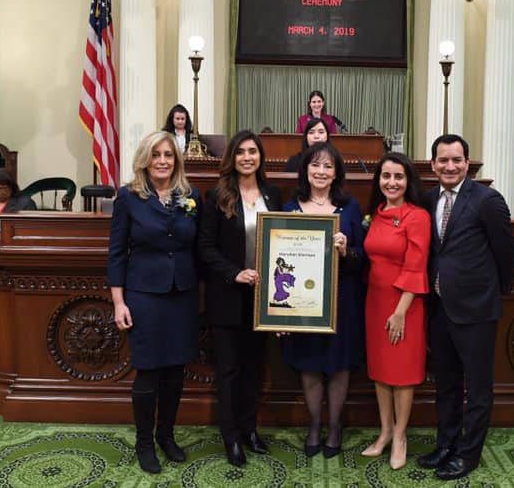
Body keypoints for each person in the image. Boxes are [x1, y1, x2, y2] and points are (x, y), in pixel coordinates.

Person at [418, 134, 514, 480]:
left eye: (456, 160)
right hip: (440, 308)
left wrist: (491, 294)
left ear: (467, 162)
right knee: (445, 383)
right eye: (442, 160)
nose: (450, 166)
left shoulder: (487, 200)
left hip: (476, 310)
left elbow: (506, 253)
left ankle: (468, 454)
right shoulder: (428, 198)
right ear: (432, 165)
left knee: (476, 388)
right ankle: (445, 445)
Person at [107, 131, 201, 474]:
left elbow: (198, 247)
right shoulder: (129, 197)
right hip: (144, 297)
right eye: (157, 154)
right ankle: (144, 442)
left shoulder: (190, 197)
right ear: (145, 159)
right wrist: (119, 302)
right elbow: (116, 253)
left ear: (176, 161)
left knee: (176, 372)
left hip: (183, 296)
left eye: (169, 155)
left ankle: (166, 436)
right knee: (148, 372)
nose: (163, 160)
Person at [198, 130, 282, 468]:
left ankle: (249, 429)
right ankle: (231, 437)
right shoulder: (218, 195)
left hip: (263, 299)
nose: (248, 157)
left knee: (253, 368)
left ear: (261, 157)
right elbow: (205, 247)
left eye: (253, 151)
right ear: (232, 157)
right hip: (228, 297)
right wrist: (234, 273)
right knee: (229, 371)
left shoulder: (272, 194)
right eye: (241, 152)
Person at [280, 142, 366, 458]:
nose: (321, 171)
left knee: (340, 365)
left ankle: (335, 426)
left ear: (336, 173)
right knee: (311, 365)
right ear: (305, 170)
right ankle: (315, 424)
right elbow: (281, 259)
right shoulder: (290, 208)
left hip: (343, 298)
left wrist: (347, 250)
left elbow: (363, 258)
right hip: (304, 301)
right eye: (315, 165)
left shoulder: (350, 207)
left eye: (328, 166)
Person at [361, 152, 430, 471]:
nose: (391, 182)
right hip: (375, 302)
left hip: (405, 304)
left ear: (408, 181)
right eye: (386, 176)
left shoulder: (417, 216)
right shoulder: (374, 214)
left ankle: (400, 436)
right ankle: (385, 431)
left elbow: (416, 267)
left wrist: (401, 311)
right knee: (380, 371)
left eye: (398, 177)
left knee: (402, 374)